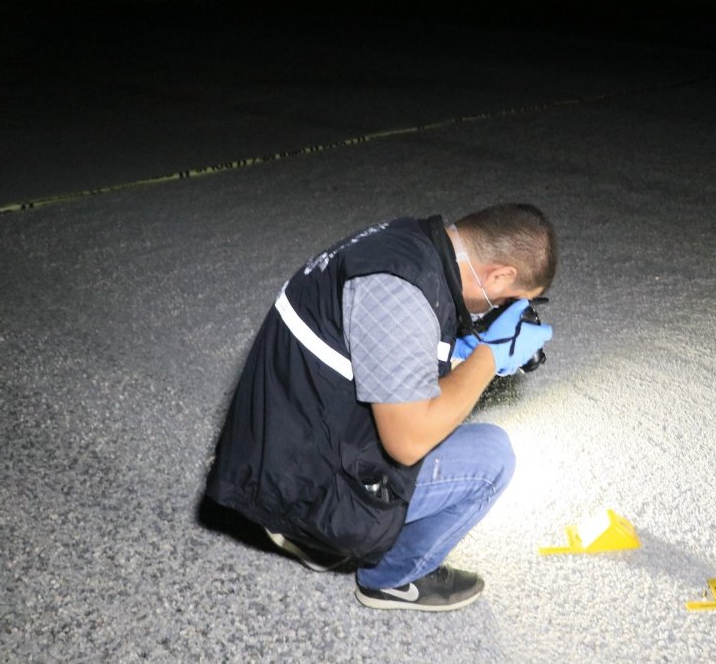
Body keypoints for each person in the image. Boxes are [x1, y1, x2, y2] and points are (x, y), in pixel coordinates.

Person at [205, 203, 556, 612]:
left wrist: (464, 351)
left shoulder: (408, 244)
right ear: (499, 275)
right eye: (508, 301)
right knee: (492, 457)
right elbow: (407, 441)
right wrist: (489, 357)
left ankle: (313, 536)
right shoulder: (402, 294)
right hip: (294, 483)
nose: (500, 311)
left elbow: (388, 356)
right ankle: (391, 576)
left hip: (281, 446)